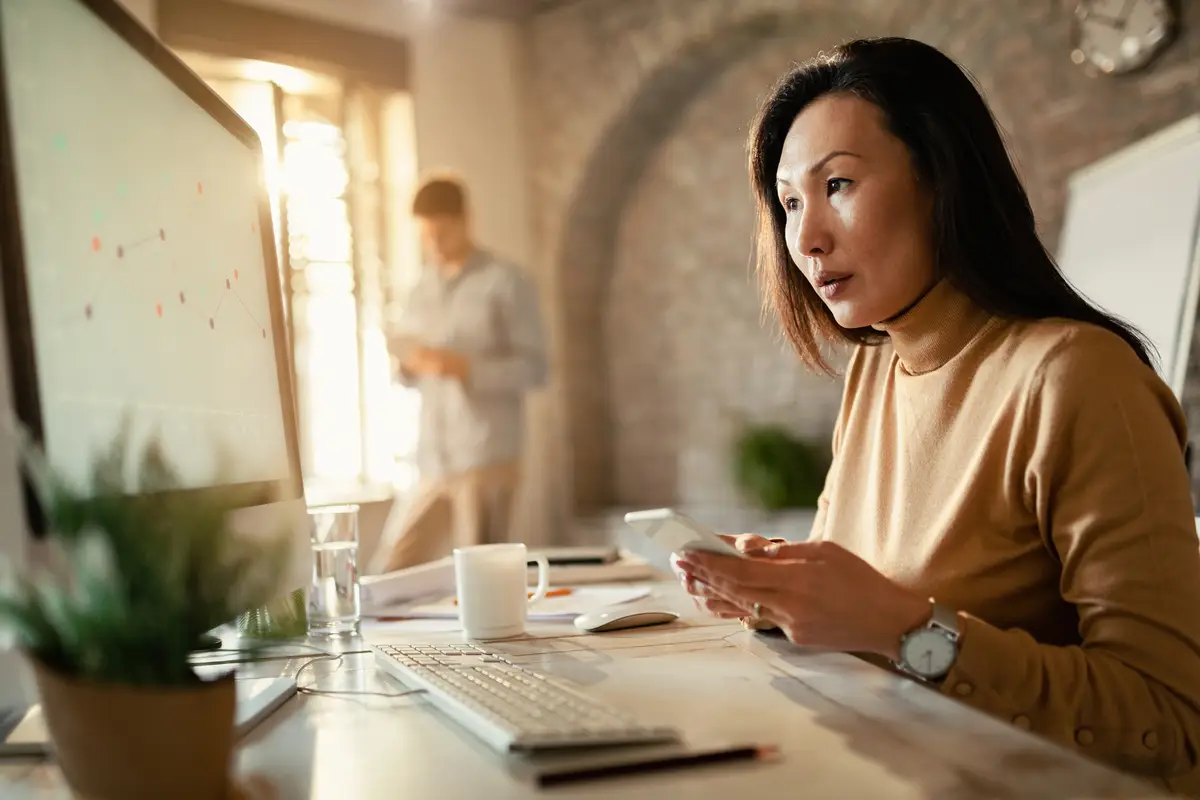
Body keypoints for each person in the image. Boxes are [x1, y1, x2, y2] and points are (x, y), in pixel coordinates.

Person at [674, 37, 1200, 795]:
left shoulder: (1078, 379)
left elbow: (1167, 722)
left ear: (940, 180)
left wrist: (904, 629)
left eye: (839, 185)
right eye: (789, 203)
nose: (807, 238)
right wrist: (778, 588)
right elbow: (867, 608)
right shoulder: (877, 369)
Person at [379, 177, 547, 571]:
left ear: (466, 219)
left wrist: (467, 369)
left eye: (442, 230)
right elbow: (410, 369)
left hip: (487, 456)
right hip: (433, 459)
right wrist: (408, 364)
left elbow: (537, 369)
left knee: (483, 579)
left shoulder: (506, 281)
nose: (434, 242)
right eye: (426, 234)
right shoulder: (420, 289)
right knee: (390, 571)